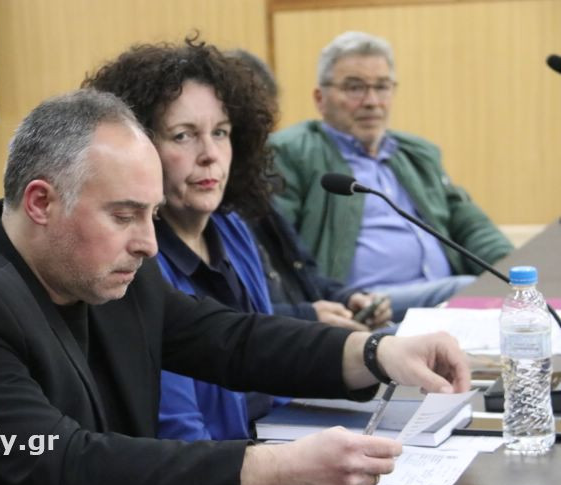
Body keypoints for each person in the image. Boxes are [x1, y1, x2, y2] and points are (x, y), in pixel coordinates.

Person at [0, 89, 470, 485]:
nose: (148, 242)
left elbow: (224, 338)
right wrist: (274, 470)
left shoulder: (94, 265)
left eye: (151, 214)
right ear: (40, 201)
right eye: (124, 215)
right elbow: (61, 467)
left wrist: (375, 352)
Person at [83, 40, 389, 444]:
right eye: (183, 135)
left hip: (275, 436)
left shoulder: (232, 226)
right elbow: (178, 434)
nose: (210, 154)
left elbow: (268, 364)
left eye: (221, 133)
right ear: (139, 148)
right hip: (217, 466)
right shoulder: (135, 258)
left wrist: (378, 356)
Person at [269, 31, 513, 321]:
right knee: (467, 292)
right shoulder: (292, 152)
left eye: (382, 87)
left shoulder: (417, 154)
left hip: (439, 291)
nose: (372, 101)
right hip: (365, 302)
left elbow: (469, 224)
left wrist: (511, 269)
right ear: (320, 99)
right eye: (355, 88)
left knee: (510, 298)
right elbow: (277, 244)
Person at [226, 48, 393, 330]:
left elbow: (305, 273)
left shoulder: (251, 190)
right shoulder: (207, 212)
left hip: (312, 333)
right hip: (292, 343)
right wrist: (309, 316)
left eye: (261, 129)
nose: (255, 144)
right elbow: (229, 321)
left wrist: (348, 298)